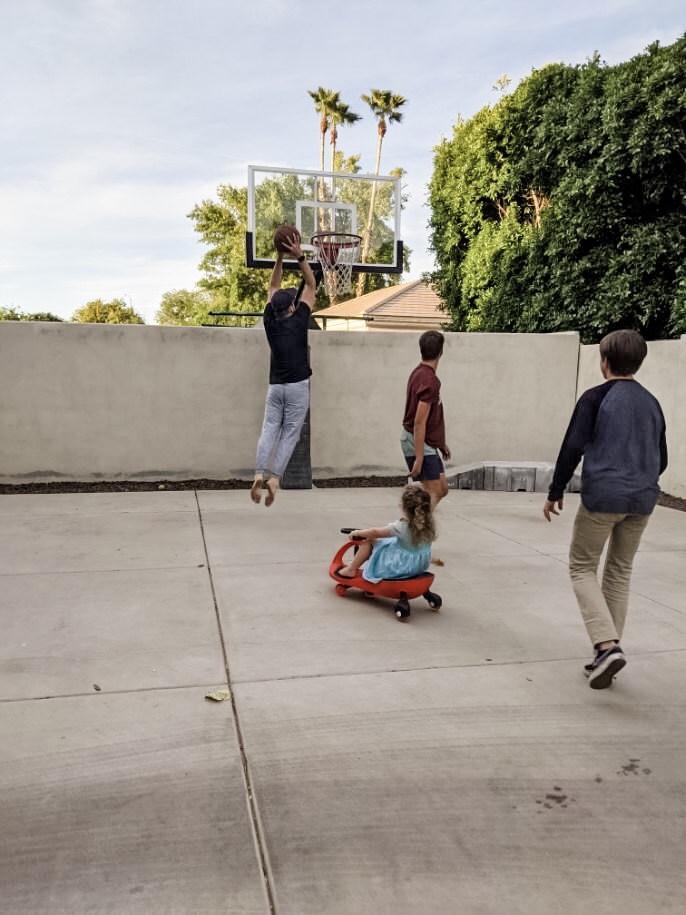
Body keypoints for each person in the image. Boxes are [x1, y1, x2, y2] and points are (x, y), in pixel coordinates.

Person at [543, 329, 668, 690]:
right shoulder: (652, 403)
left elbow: (572, 447)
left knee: (582, 567)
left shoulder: (595, 398)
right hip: (642, 499)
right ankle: (607, 654)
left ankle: (606, 646)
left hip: (603, 497)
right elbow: (662, 458)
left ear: (605, 362)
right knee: (619, 571)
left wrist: (555, 490)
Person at [251, 232, 317, 506]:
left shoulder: (270, 320)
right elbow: (311, 284)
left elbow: (273, 285)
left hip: (276, 386)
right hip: (298, 387)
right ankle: (275, 478)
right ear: (292, 306)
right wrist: (298, 255)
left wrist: (279, 256)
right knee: (290, 433)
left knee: (269, 428)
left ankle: (258, 473)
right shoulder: (300, 319)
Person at [337, 485, 436, 581]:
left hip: (399, 567)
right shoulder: (428, 524)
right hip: (419, 566)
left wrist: (358, 533)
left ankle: (351, 569)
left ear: (403, 506)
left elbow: (375, 532)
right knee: (388, 541)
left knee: (369, 541)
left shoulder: (401, 527)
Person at [401, 330, 451, 508]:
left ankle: (416, 521)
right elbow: (419, 422)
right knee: (433, 492)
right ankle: (413, 523)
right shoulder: (429, 381)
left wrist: (440, 443)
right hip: (417, 441)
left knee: (442, 488)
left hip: (427, 442)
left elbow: (429, 420)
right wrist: (419, 458)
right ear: (441, 352)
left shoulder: (419, 373)